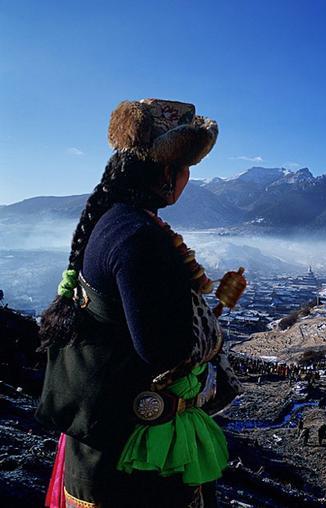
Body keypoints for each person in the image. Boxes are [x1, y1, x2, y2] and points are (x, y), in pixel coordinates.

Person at [36, 99, 243, 508]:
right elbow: (162, 350)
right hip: (136, 459)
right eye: (186, 169)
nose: (187, 179)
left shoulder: (113, 220)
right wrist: (208, 332)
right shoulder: (139, 237)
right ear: (167, 173)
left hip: (102, 438)